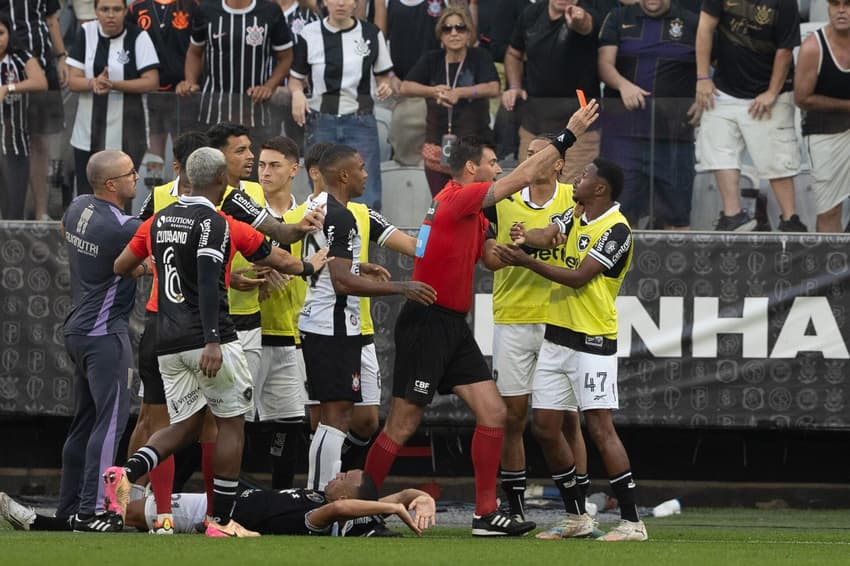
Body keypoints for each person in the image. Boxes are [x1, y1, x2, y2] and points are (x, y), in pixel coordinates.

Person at [363, 101, 599, 537]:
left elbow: (491, 260)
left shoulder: (473, 215)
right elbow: (524, 177)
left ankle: (485, 515)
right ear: (472, 168)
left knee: (494, 413)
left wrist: (521, 243)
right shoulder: (457, 197)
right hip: (427, 321)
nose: (500, 167)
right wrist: (569, 134)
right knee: (403, 422)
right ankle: (361, 509)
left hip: (453, 324)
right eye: (493, 162)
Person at [102, 147, 328, 538]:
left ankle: (128, 471)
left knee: (185, 425)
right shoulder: (220, 223)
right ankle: (222, 521)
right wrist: (311, 265)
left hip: (165, 339)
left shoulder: (158, 220)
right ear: (222, 181)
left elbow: (121, 266)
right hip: (211, 339)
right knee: (229, 426)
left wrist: (157, 266)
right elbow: (268, 262)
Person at [492, 158, 646, 542]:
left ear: (601, 189)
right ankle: (577, 517)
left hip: (593, 340)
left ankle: (632, 522)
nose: (578, 177)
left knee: (599, 427)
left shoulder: (617, 230)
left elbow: (579, 278)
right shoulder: (574, 212)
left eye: (587, 174)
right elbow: (548, 233)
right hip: (557, 337)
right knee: (544, 428)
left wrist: (525, 261)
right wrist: (527, 237)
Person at [299, 144, 436, 492]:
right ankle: (321, 495)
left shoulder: (318, 208)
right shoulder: (341, 216)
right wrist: (402, 287)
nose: (365, 174)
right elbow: (342, 283)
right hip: (332, 325)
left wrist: (360, 265)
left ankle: (321, 493)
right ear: (343, 175)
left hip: (321, 321)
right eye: (360, 167)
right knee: (335, 416)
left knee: (340, 416)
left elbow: (330, 266)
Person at [480, 135, 588, 524]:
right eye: (526, 154)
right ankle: (516, 506)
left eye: (539, 155)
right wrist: (503, 251)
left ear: (557, 164)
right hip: (513, 316)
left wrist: (520, 250)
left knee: (567, 418)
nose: (529, 161)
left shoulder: (574, 202)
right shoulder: (503, 200)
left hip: (561, 317)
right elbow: (489, 257)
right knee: (513, 416)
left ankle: (579, 506)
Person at [56, 150, 144, 532]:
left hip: (77, 329)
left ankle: (69, 508)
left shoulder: (77, 207)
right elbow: (148, 252)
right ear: (112, 184)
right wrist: (138, 267)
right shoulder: (123, 227)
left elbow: (64, 230)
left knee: (85, 424)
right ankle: (94, 512)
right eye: (130, 173)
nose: (137, 178)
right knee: (110, 425)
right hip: (104, 332)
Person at [0, 470, 437, 536]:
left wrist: (395, 511)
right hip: (217, 499)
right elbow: (399, 495)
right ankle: (55, 519)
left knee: (124, 514)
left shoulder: (317, 518)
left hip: (210, 516)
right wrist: (422, 499)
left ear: (350, 495)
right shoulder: (319, 494)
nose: (338, 475)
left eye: (346, 478)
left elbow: (346, 509)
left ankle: (39, 523)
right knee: (125, 505)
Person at [695, 0, 807, 232]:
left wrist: (772, 92)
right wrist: (703, 77)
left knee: (777, 160)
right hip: (724, 88)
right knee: (719, 152)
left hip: (769, 92)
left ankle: (790, 220)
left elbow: (785, 50)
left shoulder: (785, 3)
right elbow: (705, 27)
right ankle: (733, 215)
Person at [597, 0, 699, 230]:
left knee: (677, 217)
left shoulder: (692, 22)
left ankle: (678, 266)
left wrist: (702, 97)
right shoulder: (618, 17)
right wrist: (623, 85)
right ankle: (621, 266)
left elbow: (712, 68)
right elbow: (604, 64)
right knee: (620, 217)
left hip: (673, 138)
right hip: (623, 136)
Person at [289, 0, 393, 210]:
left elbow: (384, 76)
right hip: (321, 121)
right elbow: (295, 78)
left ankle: (364, 241)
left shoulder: (371, 33)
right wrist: (297, 94)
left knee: (366, 190)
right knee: (321, 191)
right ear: (325, 1)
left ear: (356, 3)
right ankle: (325, 240)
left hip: (360, 120)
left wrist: (385, 86)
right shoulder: (309, 33)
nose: (341, 3)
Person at [401, 5, 500, 196]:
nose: (454, 33)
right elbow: (405, 87)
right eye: (447, 28)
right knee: (441, 204)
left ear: (469, 32)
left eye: (460, 27)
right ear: (441, 34)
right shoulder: (432, 59)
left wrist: (461, 92)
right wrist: (433, 91)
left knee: (474, 203)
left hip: (474, 144)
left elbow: (493, 87)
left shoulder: (480, 57)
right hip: (438, 146)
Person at [66, 0, 160, 196]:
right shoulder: (86, 32)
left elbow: (152, 81)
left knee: (122, 196)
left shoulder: (138, 36)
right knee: (87, 194)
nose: (111, 15)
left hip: (129, 131)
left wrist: (114, 85)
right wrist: (93, 83)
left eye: (116, 9)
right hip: (87, 134)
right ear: (95, 11)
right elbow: (73, 81)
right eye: (105, 9)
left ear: (125, 11)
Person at [502, 0, 600, 183]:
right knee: (528, 186)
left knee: (572, 191)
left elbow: (586, 25)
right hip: (535, 124)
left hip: (579, 127)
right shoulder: (532, 13)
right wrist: (514, 86)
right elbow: (514, 53)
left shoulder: (586, 11)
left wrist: (578, 19)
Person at [176, 0, 293, 140]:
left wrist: (269, 86)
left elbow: (286, 57)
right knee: (215, 161)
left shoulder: (270, 10)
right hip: (213, 114)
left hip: (254, 114)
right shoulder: (206, 9)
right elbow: (194, 52)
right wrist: (190, 81)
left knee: (251, 161)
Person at [7, 0, 68, 220]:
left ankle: (41, 211)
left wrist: (61, 58)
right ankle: (11, 212)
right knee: (7, 141)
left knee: (40, 142)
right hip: (6, 68)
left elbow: (52, 20)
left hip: (42, 65)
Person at [126, 0, 200, 179]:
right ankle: (153, 197)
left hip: (184, 94)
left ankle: (182, 198)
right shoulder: (136, 8)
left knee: (183, 149)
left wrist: (192, 80)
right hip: (148, 93)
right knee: (154, 151)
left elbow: (201, 48)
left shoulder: (193, 6)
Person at [794, 0, 850, 233]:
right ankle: (831, 267)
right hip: (825, 133)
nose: (841, 10)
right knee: (829, 210)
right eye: (835, 4)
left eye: (848, 4)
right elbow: (802, 98)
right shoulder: (812, 47)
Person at [0, 12, 48, 220]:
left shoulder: (21, 57)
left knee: (13, 208)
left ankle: (10, 251)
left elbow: (40, 82)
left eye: (1, 33)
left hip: (14, 145)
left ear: (9, 34)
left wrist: (8, 88)